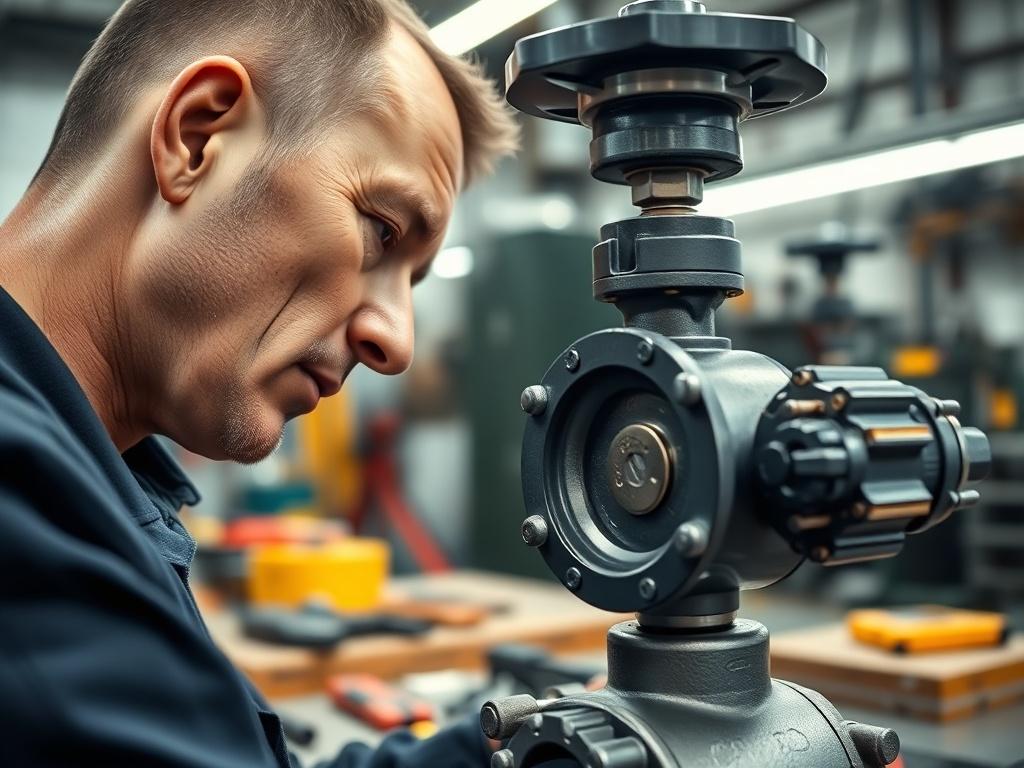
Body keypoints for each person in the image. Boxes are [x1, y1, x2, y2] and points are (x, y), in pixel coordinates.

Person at [0, 0, 518, 765]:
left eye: (413, 279)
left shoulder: (93, 483)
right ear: (198, 137)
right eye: (380, 229)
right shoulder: (20, 491)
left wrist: (537, 749)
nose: (396, 342)